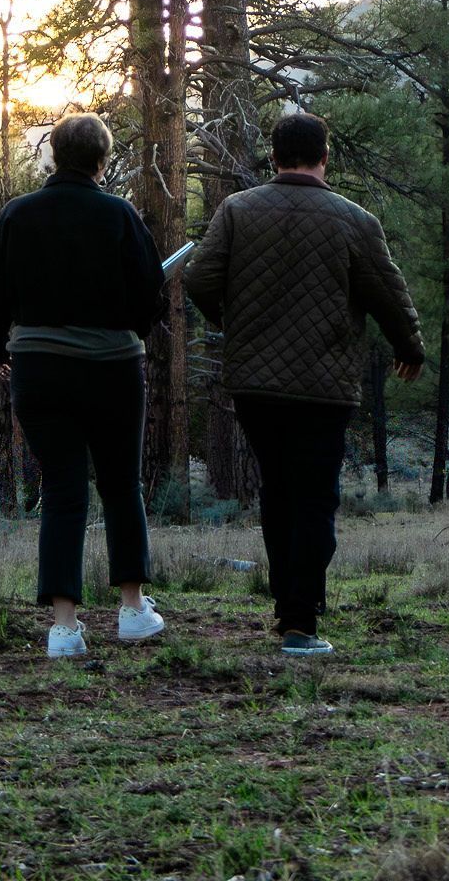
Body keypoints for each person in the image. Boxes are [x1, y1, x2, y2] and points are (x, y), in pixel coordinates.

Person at [183, 110, 424, 656]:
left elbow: (199, 279)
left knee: (277, 492)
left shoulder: (237, 211)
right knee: (315, 498)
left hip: (255, 385)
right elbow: (388, 292)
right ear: (325, 157)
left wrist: (232, 323)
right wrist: (410, 348)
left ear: (274, 157)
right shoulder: (353, 220)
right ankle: (300, 622)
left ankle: (286, 606)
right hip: (324, 384)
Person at [0, 113, 168, 658]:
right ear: (103, 160)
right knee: (122, 484)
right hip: (113, 370)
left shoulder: (17, 215)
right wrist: (131, 324)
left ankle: (63, 627)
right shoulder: (120, 215)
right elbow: (152, 296)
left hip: (38, 370)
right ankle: (132, 610)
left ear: (54, 156)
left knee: (61, 491)